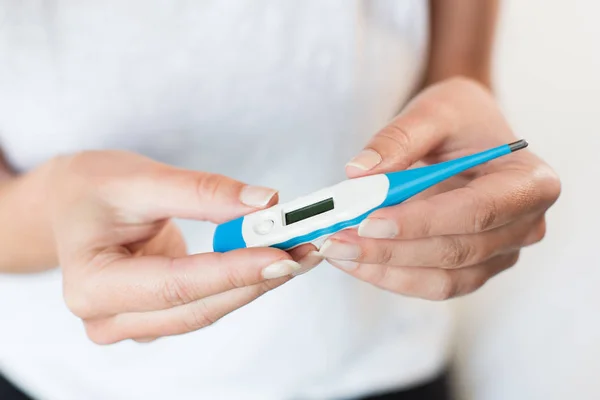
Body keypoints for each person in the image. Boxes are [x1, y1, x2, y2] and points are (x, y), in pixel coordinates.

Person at [0, 1, 561, 399]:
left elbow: (458, 73)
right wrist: (53, 207)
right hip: (77, 384)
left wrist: (463, 129)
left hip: (374, 362)